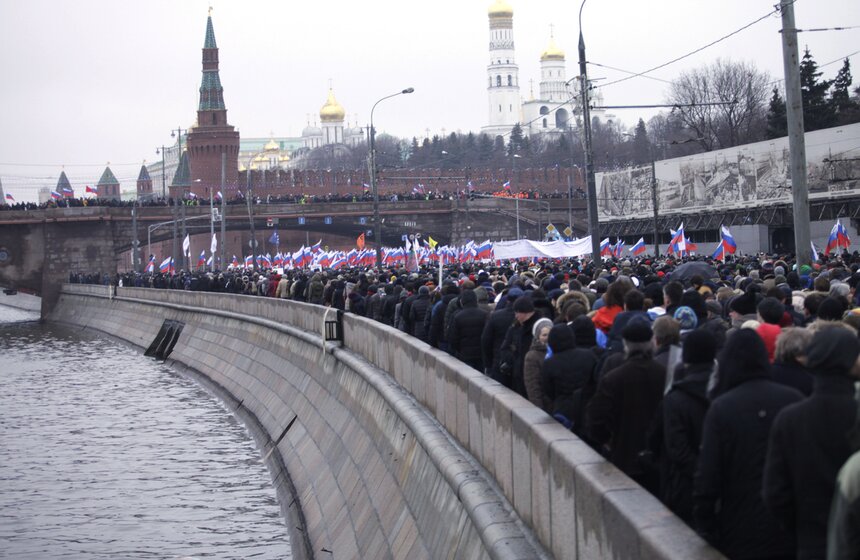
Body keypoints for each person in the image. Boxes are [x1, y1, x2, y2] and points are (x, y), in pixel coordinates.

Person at [693, 329, 802, 560]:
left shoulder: (722, 407)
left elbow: (708, 474)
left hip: (738, 527)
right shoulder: (793, 399)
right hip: (789, 527)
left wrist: (706, 523)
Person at [763, 325, 860, 560]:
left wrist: (801, 527)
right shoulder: (855, 413)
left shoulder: (790, 419)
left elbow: (775, 492)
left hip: (809, 541)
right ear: (849, 360)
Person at [586, 319, 666, 484]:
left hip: (623, 456)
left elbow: (596, 418)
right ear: (652, 342)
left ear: (626, 345)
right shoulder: (664, 374)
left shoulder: (613, 378)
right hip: (658, 460)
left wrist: (607, 441)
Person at [662, 329, 717, 523]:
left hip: (685, 488)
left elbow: (676, 449)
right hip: (723, 489)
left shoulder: (675, 398)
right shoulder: (726, 392)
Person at [542, 322, 599, 432]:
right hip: (587, 406)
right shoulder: (589, 355)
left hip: (562, 410)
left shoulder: (549, 363)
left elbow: (548, 389)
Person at [447, 289, 490, 372]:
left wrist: (459, 350)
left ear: (462, 301)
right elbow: (487, 336)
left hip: (464, 354)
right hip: (480, 355)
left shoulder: (458, 316)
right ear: (476, 300)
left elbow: (453, 338)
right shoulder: (484, 315)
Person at [523, 318, 553, 409]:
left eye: (550, 334)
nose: (548, 338)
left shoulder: (557, 351)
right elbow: (532, 386)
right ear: (537, 336)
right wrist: (538, 408)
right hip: (544, 405)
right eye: (544, 335)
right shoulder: (532, 356)